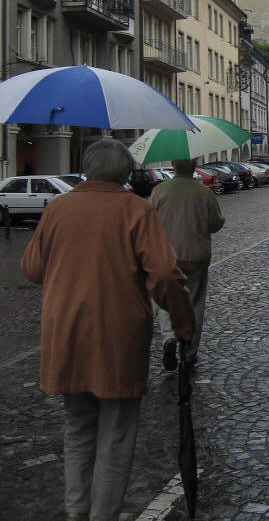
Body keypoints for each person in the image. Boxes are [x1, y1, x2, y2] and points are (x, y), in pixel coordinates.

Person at [21, 138, 194, 521]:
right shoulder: (135, 210)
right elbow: (165, 275)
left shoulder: (57, 208)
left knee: (78, 428)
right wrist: (182, 322)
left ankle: (76, 512)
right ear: (125, 172)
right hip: (118, 338)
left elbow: (32, 269)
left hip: (66, 333)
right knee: (116, 434)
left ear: (86, 169)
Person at [149, 158, 225, 370]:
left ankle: (169, 337)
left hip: (166, 256)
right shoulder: (203, 192)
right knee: (195, 302)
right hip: (196, 256)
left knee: (165, 298)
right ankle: (189, 353)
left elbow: (149, 222)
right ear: (194, 167)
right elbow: (216, 223)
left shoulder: (160, 191)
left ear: (174, 166)